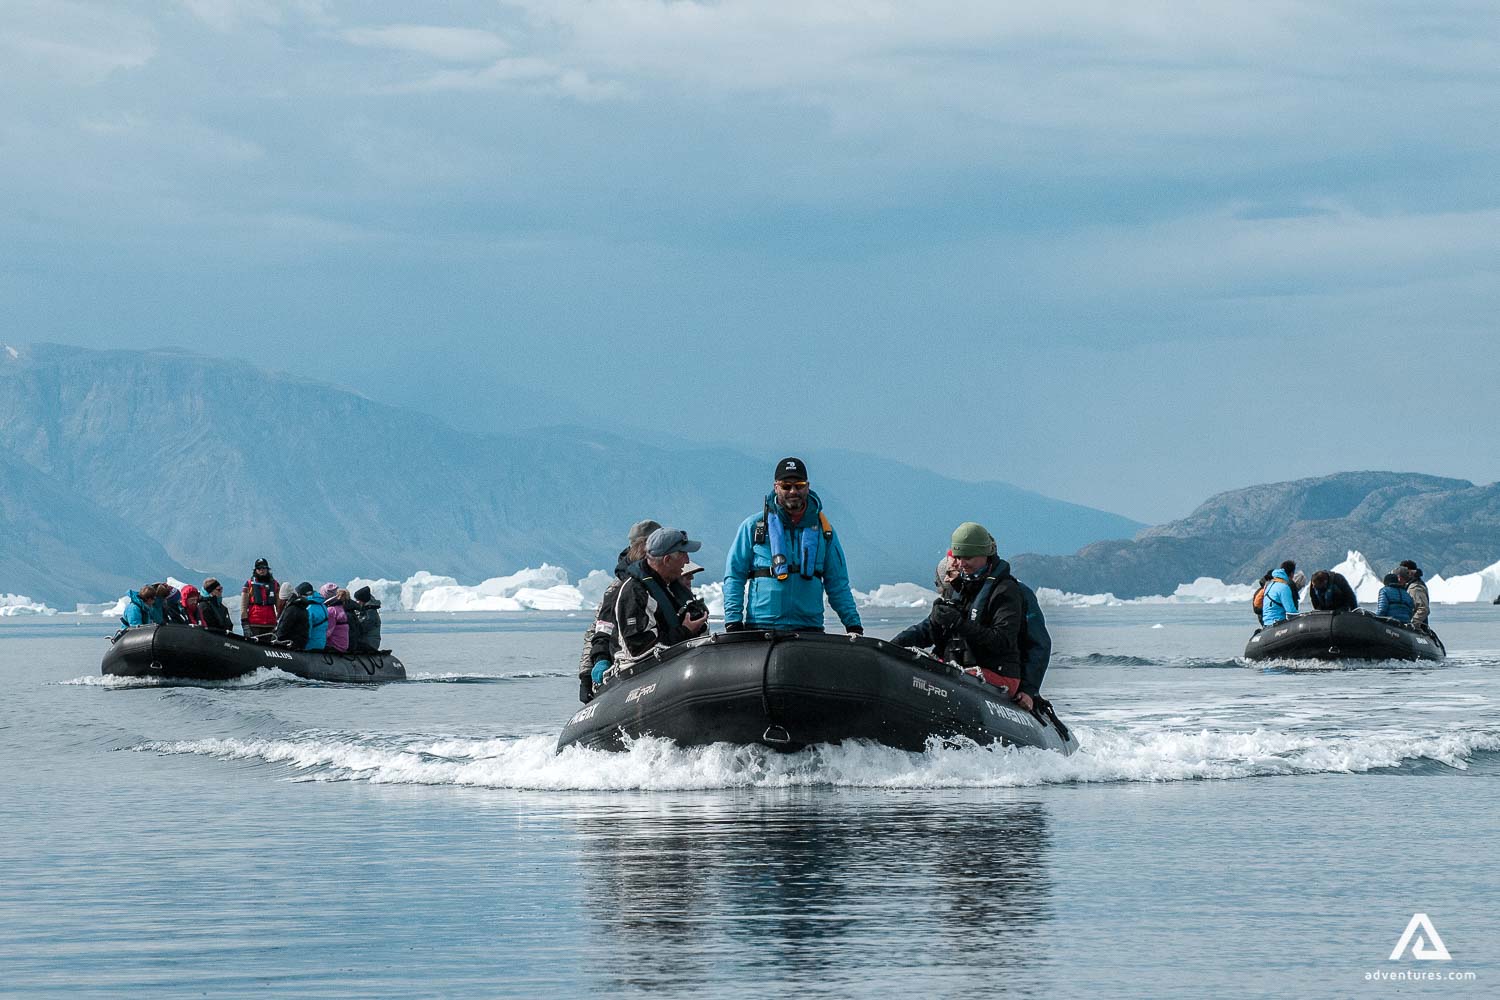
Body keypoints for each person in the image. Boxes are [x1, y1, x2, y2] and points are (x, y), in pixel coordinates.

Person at [893, 523, 1034, 709]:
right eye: (958, 557)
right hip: (958, 669)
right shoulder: (957, 588)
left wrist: (959, 624)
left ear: (985, 554)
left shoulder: (1006, 591)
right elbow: (926, 631)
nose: (961, 564)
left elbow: (1003, 640)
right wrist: (891, 647)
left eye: (968, 557)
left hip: (996, 672)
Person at [723, 457, 862, 635]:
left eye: (799, 484)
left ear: (808, 486)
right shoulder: (753, 527)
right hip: (761, 628)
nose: (793, 491)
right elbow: (734, 576)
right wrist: (733, 622)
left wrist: (853, 625)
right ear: (776, 487)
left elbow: (838, 584)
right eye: (786, 486)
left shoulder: (824, 532)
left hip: (809, 630)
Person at [936, 550, 1052, 699]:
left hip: (1003, 674)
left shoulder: (1011, 591)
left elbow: (1039, 643)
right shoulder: (961, 594)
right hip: (971, 669)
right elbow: (927, 629)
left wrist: (1028, 690)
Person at [606, 527, 710, 673]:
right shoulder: (635, 592)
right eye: (684, 554)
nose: (687, 561)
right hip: (639, 673)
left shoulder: (671, 587)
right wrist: (685, 631)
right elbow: (639, 648)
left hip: (677, 665)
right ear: (667, 560)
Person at [578, 519, 661, 702]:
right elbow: (599, 630)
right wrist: (588, 672)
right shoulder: (620, 587)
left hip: (660, 664)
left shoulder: (669, 579)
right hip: (626, 665)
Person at [274, 582, 329, 650]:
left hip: (310, 645)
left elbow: (307, 630)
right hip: (321, 643)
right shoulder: (323, 606)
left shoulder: (308, 608)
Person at [241, 559, 282, 638]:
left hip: (271, 625)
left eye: (264, 568)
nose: (261, 570)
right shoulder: (249, 584)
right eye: (259, 568)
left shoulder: (275, 585)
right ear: (255, 570)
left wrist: (280, 622)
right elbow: (243, 607)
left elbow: (279, 606)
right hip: (254, 624)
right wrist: (245, 625)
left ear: (267, 569)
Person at [1398, 561, 1431, 631]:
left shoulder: (1415, 588)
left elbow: (1423, 609)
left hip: (1416, 630)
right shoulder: (1410, 586)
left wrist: (1412, 624)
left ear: (1410, 572)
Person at [350, 586, 383, 652]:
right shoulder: (363, 610)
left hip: (370, 643)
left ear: (363, 600)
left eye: (358, 600)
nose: (357, 602)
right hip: (364, 641)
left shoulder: (370, 613)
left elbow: (362, 628)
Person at [320, 583, 350, 652]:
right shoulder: (340, 608)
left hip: (335, 646)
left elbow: (328, 632)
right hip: (343, 645)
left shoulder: (331, 610)